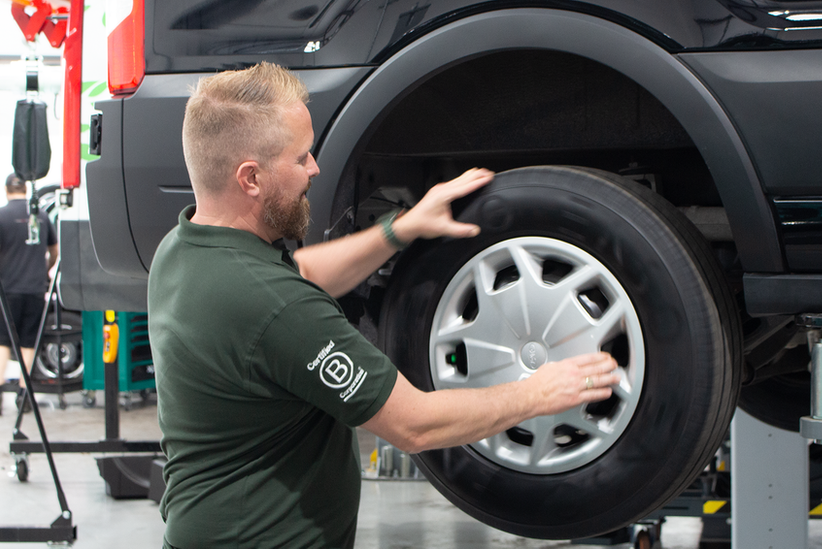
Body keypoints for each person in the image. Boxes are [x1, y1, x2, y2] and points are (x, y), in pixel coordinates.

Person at [147, 62, 619, 549]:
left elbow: (299, 275)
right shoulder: (276, 308)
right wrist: (538, 393)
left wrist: (401, 228)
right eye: (300, 157)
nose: (315, 169)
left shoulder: (183, 252)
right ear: (251, 179)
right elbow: (415, 423)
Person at [0, 173, 58, 410]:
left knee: (2, 341)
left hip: (7, 291)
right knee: (28, 342)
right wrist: (44, 271)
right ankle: (24, 394)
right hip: (34, 290)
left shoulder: (2, 216)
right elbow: (54, 250)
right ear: (25, 189)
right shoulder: (41, 216)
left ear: (6, 190)